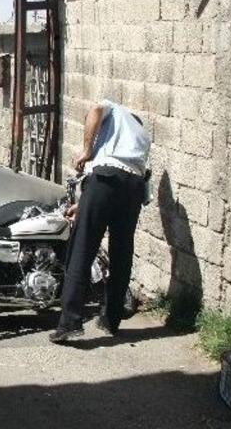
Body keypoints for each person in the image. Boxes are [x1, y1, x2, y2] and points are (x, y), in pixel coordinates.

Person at [50, 99, 151, 343]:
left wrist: (87, 150)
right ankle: (111, 319)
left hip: (105, 179)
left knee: (81, 248)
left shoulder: (112, 108)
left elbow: (95, 110)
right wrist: (83, 204)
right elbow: (134, 178)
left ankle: (70, 323)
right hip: (134, 188)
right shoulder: (143, 136)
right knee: (122, 253)